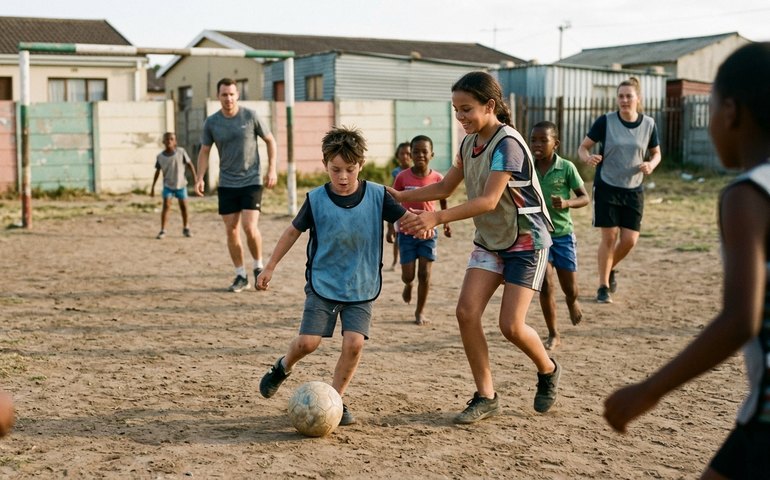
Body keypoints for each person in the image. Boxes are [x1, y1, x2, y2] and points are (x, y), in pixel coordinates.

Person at [604, 42, 770, 479]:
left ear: (730, 112)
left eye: (711, 107)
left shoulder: (748, 195)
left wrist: (649, 390)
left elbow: (741, 320)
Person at [392, 71, 561, 424]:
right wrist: (400, 195)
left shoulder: (508, 144)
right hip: (491, 239)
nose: (460, 117)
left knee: (511, 326)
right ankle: (486, 396)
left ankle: (547, 369)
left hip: (527, 240)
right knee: (466, 313)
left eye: (466, 109)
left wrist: (435, 220)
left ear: (490, 105)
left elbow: (487, 200)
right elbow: (443, 189)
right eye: (456, 110)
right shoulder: (468, 144)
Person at [256, 126, 421, 425]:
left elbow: (406, 218)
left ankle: (335, 398)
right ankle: (282, 367)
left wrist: (425, 223)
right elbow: (293, 230)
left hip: (361, 285)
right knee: (308, 342)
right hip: (324, 283)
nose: (343, 177)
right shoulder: (316, 199)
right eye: (335, 170)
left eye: (350, 169)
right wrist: (270, 266)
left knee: (354, 343)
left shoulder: (378, 195)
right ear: (324, 166)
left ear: (361, 165)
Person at [577, 77, 662, 304]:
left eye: (629, 96)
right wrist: (588, 158)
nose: (624, 100)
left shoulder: (649, 124)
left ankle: (609, 267)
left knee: (630, 240)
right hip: (607, 185)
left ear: (638, 99)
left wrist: (651, 165)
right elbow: (583, 148)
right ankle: (603, 286)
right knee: (609, 236)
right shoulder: (606, 121)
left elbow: (656, 153)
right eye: (621, 96)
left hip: (633, 189)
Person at [194, 78, 278, 292]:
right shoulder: (212, 122)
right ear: (218, 96)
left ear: (237, 95)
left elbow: (270, 141)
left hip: (251, 180)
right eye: (224, 94)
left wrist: (272, 169)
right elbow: (204, 151)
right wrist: (199, 177)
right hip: (227, 183)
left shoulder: (250, 116)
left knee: (249, 227)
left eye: (232, 94)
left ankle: (258, 267)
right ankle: (241, 275)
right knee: (231, 230)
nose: (228, 98)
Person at [531, 121, 589, 350]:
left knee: (569, 288)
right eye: (533, 139)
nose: (537, 144)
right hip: (537, 234)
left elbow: (584, 197)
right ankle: (553, 333)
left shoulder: (566, 168)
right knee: (545, 284)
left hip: (563, 235)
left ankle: (572, 301)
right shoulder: (527, 167)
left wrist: (567, 202)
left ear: (555, 144)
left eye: (543, 140)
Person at [388, 135, 452, 325]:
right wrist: (391, 227)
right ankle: (408, 284)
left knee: (424, 273)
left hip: (428, 233)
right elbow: (393, 201)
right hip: (406, 232)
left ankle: (420, 311)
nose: (420, 155)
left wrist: (446, 222)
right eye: (415, 151)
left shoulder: (438, 178)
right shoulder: (402, 177)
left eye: (424, 151)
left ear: (431, 154)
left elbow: (443, 198)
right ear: (411, 154)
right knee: (409, 274)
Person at [150, 132, 196, 239]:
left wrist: (195, 179)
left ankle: (186, 228)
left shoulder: (181, 152)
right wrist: (152, 187)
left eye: (172, 139)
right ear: (163, 142)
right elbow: (157, 172)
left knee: (184, 207)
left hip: (181, 184)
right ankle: (163, 230)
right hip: (168, 185)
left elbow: (190, 165)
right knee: (166, 206)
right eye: (167, 139)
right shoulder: (160, 157)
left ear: (175, 141)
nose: (169, 141)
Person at [386, 142, 412, 270]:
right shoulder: (396, 172)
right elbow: (392, 191)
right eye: (402, 154)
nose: (405, 156)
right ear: (398, 156)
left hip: (412, 208)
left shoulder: (416, 171)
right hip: (399, 208)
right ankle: (396, 260)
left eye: (408, 153)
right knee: (398, 236)